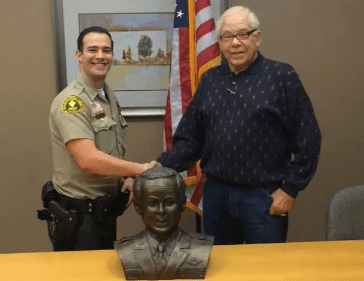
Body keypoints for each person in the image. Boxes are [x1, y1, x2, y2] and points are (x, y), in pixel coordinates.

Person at [158, 6, 321, 245]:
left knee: (265, 270)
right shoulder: (210, 80)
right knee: (220, 268)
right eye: (227, 36)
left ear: (257, 37)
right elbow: (191, 140)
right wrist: (159, 166)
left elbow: (309, 139)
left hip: (263, 197)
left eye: (242, 34)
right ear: (220, 43)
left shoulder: (281, 76)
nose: (235, 43)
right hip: (216, 196)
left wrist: (290, 190)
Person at [41, 26, 159, 251]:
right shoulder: (73, 102)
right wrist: (139, 169)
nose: (100, 56)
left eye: (106, 50)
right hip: (79, 219)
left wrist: (126, 174)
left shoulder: (106, 96)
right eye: (92, 50)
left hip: (103, 213)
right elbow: (88, 159)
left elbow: (108, 152)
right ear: (79, 55)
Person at [114, 167, 213, 280]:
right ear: (138, 206)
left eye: (169, 203)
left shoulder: (200, 248)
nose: (161, 211)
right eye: (152, 203)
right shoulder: (126, 250)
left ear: (182, 204)